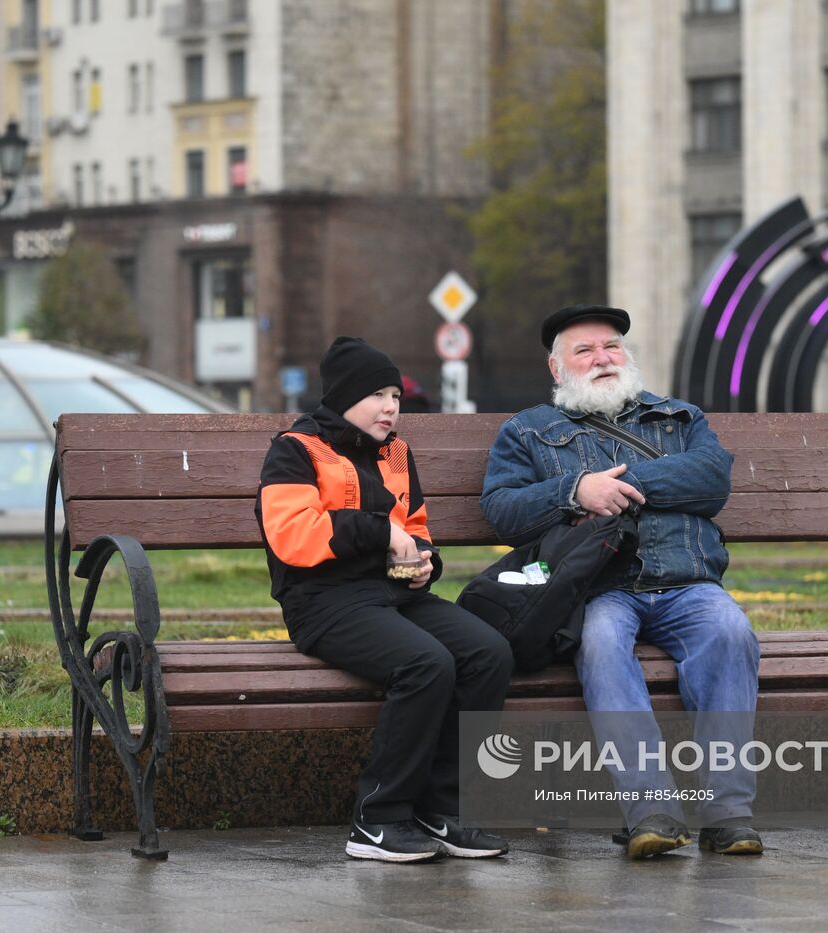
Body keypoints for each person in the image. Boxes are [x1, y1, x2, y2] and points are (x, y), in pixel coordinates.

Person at [479, 305, 762, 859]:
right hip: (600, 591)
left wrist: (616, 484)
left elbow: (711, 479)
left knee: (730, 631)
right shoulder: (528, 431)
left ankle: (728, 815)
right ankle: (650, 810)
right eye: (584, 351)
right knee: (601, 644)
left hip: (688, 582)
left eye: (610, 346)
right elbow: (502, 510)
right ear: (557, 370)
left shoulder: (679, 418)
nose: (602, 358)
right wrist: (573, 491)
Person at [256, 336, 514, 863]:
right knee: (426, 663)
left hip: (393, 595)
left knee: (489, 652)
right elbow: (292, 534)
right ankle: (378, 818)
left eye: (395, 395)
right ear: (345, 396)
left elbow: (414, 528)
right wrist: (379, 534)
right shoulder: (295, 449)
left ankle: (443, 810)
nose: (391, 407)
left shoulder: (395, 452)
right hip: (322, 603)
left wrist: (423, 564)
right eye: (377, 394)